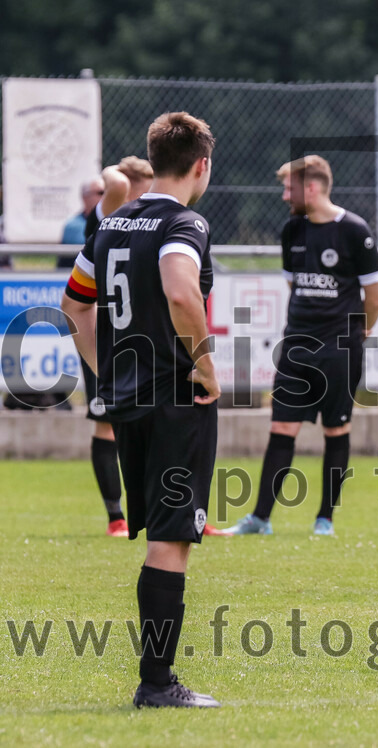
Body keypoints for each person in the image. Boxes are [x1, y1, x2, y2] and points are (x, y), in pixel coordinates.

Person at [62, 111, 222, 708]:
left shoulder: (110, 223)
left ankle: (158, 680)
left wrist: (110, 371)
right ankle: (157, 684)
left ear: (153, 159)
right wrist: (205, 366)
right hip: (176, 400)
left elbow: (74, 305)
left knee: (161, 535)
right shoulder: (186, 221)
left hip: (129, 401)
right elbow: (180, 289)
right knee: (172, 541)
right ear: (202, 165)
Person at [227, 155, 378, 537]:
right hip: (296, 347)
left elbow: (374, 295)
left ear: (311, 188)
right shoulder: (292, 230)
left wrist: (357, 334)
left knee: (336, 430)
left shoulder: (354, 230)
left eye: (289, 188)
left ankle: (324, 519)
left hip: (340, 350)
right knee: (281, 426)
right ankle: (260, 519)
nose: (284, 196)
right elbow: (293, 284)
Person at [58, 161, 154, 536]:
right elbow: (113, 182)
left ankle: (179, 511)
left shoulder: (159, 223)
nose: (146, 202)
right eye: (140, 194)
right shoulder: (109, 214)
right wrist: (120, 169)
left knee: (164, 426)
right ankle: (116, 516)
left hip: (145, 337)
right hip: (104, 338)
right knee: (106, 425)